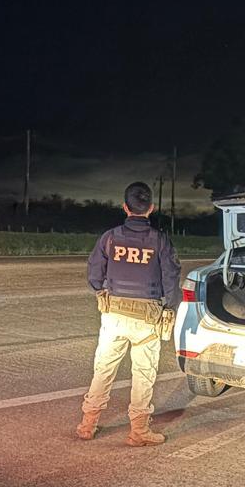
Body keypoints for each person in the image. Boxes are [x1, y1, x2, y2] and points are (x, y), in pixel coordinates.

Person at [76, 181, 182, 446]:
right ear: (151, 209)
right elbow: (171, 277)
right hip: (147, 318)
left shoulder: (110, 237)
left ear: (125, 207)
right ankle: (139, 432)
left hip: (114, 316)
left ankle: (88, 424)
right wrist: (170, 307)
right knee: (143, 374)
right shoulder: (160, 240)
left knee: (103, 370)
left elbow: (94, 274)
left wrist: (102, 291)